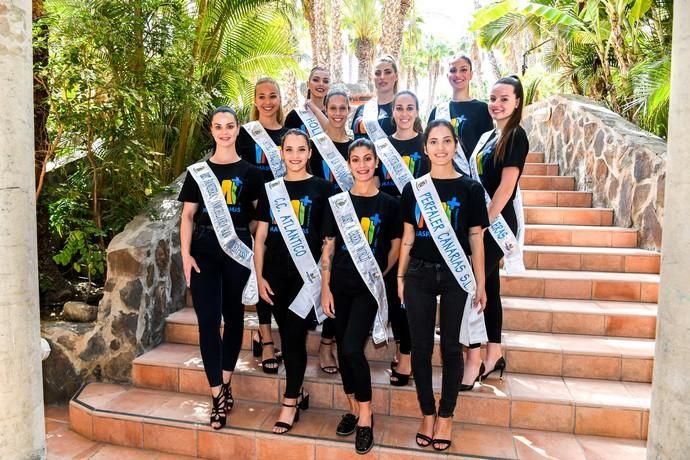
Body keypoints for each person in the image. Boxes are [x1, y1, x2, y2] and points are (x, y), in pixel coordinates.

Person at [398, 119, 488, 451]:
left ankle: (446, 415)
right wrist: (400, 277)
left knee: (452, 347)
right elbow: (408, 237)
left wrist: (480, 282)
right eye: (433, 141)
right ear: (425, 148)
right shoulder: (414, 189)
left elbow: (476, 238)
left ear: (455, 145)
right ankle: (426, 413)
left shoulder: (471, 189)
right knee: (420, 348)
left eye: (446, 141)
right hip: (419, 273)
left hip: (457, 275)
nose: (440, 147)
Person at [178, 106, 263, 430]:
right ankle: (216, 395)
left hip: (236, 252)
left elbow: (258, 217)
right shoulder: (199, 171)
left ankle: (225, 381)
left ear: (238, 129)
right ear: (211, 130)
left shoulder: (252, 173)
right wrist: (186, 255)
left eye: (230, 126)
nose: (224, 131)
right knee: (208, 322)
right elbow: (187, 216)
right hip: (204, 250)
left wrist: (244, 241)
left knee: (234, 315)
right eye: (218, 126)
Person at [321, 138, 402, 454]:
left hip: (369, 287)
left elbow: (396, 245)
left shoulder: (390, 204)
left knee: (353, 348)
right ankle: (353, 408)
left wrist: (383, 272)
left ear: (375, 162)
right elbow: (328, 246)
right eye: (356, 159)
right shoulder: (338, 203)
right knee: (343, 349)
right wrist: (325, 287)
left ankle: (366, 417)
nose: (363, 165)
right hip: (339, 284)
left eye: (368, 159)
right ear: (349, 164)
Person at [254, 129, 334, 434]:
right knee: (288, 338)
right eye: (290, 149)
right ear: (281, 153)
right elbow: (260, 237)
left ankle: (289, 403)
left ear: (310, 152)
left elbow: (328, 241)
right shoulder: (270, 189)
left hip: (307, 279)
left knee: (293, 339)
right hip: (274, 276)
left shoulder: (324, 190)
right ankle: (298, 391)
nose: (296, 155)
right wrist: (259, 277)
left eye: (301, 149)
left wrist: (325, 282)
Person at [463, 76, 529, 387]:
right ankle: (494, 352)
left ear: (517, 102)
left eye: (504, 98)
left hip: (496, 224)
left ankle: (474, 358)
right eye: (492, 98)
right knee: (490, 287)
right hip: (483, 222)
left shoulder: (516, 136)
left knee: (472, 285)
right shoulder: (489, 136)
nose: (496, 104)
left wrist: (484, 223)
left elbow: (505, 188)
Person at [376, 90, 430, 386]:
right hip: (386, 223)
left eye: (410, 107)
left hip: (417, 225)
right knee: (390, 285)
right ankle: (400, 346)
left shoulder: (426, 144)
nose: (405, 113)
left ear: (417, 111)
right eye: (399, 108)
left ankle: (407, 354)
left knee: (407, 292)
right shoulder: (382, 145)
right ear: (392, 112)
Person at [237, 77, 288, 374]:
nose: (268, 101)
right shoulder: (246, 134)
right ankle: (267, 338)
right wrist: (259, 212)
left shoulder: (290, 134)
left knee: (278, 274)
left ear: (280, 99)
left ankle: (268, 332)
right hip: (256, 215)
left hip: (287, 217)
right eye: (262, 97)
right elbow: (241, 173)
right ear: (255, 101)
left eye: (273, 96)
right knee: (261, 273)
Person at [428, 55, 493, 160]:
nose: (457, 75)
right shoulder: (437, 112)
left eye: (463, 70)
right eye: (453, 70)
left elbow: (487, 148)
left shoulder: (482, 109)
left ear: (471, 74)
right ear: (447, 75)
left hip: (471, 174)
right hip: (442, 173)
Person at [351, 55, 399, 140]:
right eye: (377, 73)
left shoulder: (402, 110)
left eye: (387, 72)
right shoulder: (362, 109)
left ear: (396, 76)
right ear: (372, 77)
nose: (382, 77)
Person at [284, 66, 331, 130]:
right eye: (316, 80)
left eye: (325, 81)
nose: (321, 84)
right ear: (308, 84)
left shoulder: (333, 114)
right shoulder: (295, 115)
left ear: (329, 86)